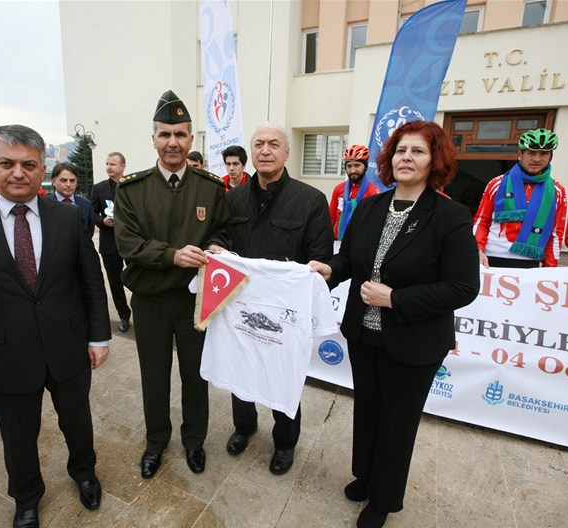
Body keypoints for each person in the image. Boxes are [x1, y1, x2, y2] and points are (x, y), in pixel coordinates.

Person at [0, 125, 111, 528]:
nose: (18, 173)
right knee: (17, 434)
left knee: (77, 421)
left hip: (68, 347)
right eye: (7, 163)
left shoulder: (68, 217)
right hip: (5, 354)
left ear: (42, 169)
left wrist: (99, 335)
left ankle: (84, 473)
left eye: (29, 165)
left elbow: (90, 281)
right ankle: (26, 496)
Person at [309, 121, 480, 528]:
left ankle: (383, 499)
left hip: (414, 339)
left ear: (434, 161)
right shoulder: (370, 207)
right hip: (364, 334)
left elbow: (463, 287)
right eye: (401, 150)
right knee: (368, 411)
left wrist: (396, 299)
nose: (407, 158)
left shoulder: (451, 216)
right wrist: (328, 269)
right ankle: (365, 477)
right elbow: (349, 258)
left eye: (418, 151)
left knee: (398, 422)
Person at [114, 90, 230, 479]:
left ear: (191, 139)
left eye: (180, 134)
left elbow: (223, 231)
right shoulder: (131, 189)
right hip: (150, 301)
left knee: (196, 377)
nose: (173, 142)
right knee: (154, 376)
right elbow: (128, 244)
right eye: (165, 134)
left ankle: (194, 442)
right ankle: (156, 442)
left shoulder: (211, 187)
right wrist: (171, 255)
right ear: (153, 139)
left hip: (196, 302)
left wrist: (216, 246)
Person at [223, 123, 333, 475]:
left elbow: (320, 258)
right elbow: (222, 244)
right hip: (240, 308)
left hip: (285, 314)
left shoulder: (310, 200)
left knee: (284, 377)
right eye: (259, 144)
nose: (265, 150)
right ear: (251, 152)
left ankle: (285, 442)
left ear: (287, 152)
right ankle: (244, 426)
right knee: (240, 368)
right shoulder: (233, 199)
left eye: (274, 144)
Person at [473, 128, 567, 268]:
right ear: (519, 155)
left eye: (544, 154)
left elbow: (555, 233)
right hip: (491, 258)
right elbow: (481, 220)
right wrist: (477, 250)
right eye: (531, 153)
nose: (537, 159)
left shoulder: (557, 191)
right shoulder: (497, 183)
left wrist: (550, 267)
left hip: (529, 261)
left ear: (550, 157)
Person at [90, 152, 132, 333]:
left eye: (113, 164)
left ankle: (141, 309)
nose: (108, 167)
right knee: (115, 282)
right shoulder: (99, 188)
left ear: (123, 166)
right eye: (107, 164)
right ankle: (124, 314)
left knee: (138, 277)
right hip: (109, 243)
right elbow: (91, 213)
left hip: (132, 243)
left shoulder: (132, 185)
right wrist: (102, 222)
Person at [330, 145, 380, 240]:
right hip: (338, 239)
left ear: (365, 167)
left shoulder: (373, 192)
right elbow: (331, 217)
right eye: (349, 166)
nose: (353, 170)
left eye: (357, 165)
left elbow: (375, 224)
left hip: (360, 241)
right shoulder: (339, 188)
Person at [50, 162, 96, 237]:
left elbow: (89, 233)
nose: (68, 184)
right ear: (53, 182)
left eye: (72, 180)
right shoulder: (45, 205)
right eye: (63, 180)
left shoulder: (86, 205)